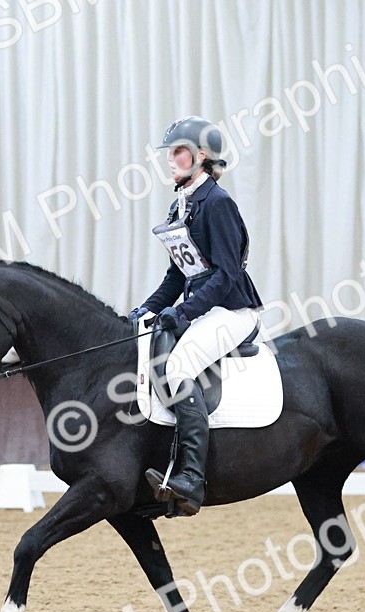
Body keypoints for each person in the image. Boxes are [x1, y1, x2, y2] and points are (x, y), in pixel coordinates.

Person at [128, 116, 263, 515]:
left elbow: (227, 273)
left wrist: (183, 312)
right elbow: (177, 274)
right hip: (204, 309)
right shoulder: (180, 204)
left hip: (232, 310)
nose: (170, 160)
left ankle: (191, 477)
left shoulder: (218, 204)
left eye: (178, 152)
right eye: (168, 153)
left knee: (178, 368)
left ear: (201, 157)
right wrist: (148, 309)